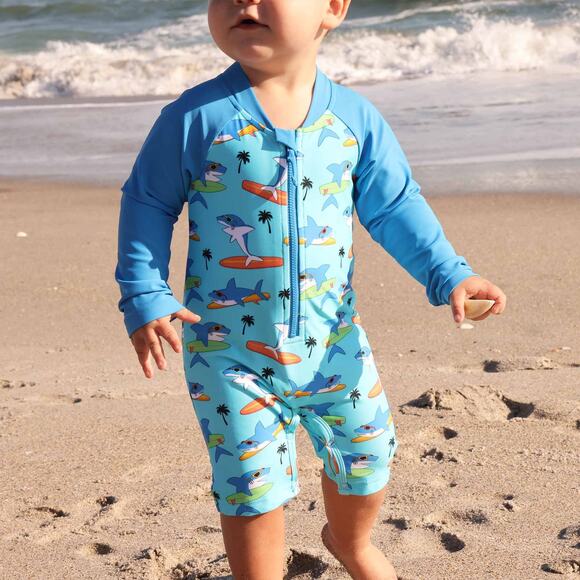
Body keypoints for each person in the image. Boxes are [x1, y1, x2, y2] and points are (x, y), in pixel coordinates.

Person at [114, 1, 507, 578]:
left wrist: (449, 273)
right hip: (229, 352)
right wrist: (144, 292)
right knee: (251, 488)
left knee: (367, 458)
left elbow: (395, 208)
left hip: (333, 342)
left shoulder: (354, 118)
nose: (243, 1)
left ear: (333, 7)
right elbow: (148, 202)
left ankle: (350, 542)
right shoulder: (195, 117)